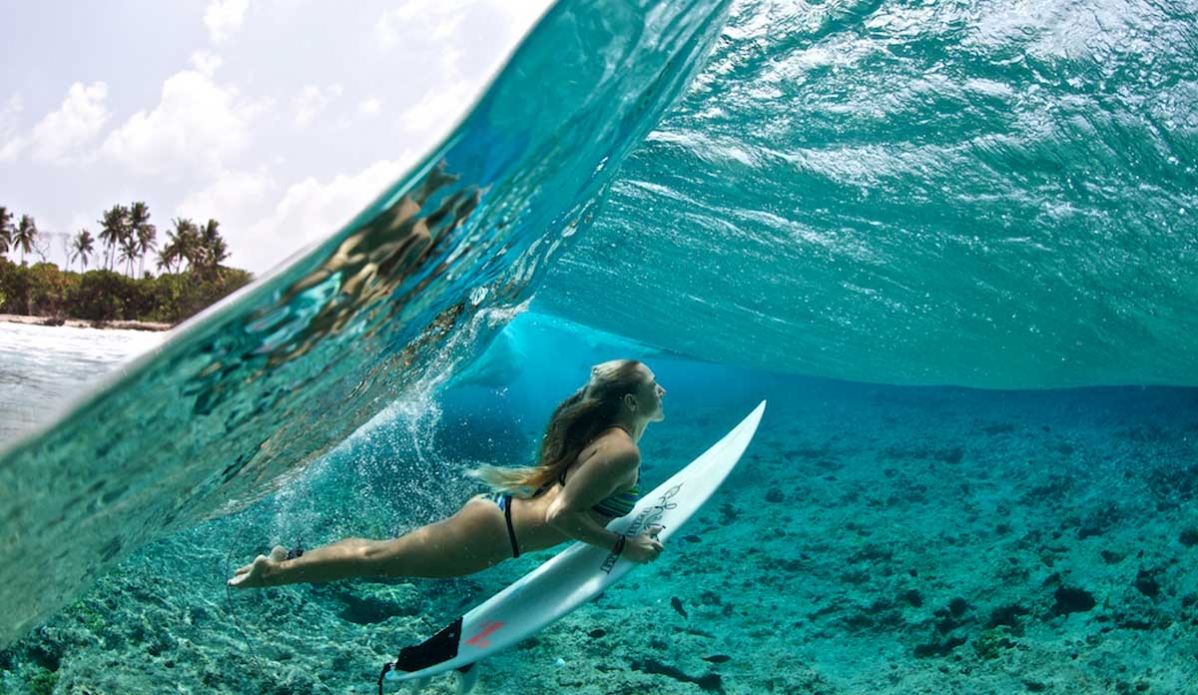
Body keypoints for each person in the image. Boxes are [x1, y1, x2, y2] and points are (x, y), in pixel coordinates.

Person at [229, 359, 668, 588]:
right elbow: (561, 517)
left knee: (382, 554)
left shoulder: (611, 436)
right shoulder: (622, 450)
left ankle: (289, 564)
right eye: (653, 385)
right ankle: (274, 575)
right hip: (495, 535)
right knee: (379, 562)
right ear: (630, 403)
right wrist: (623, 545)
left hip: (499, 520)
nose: (662, 390)